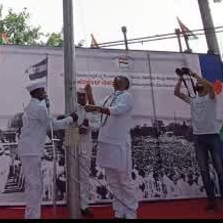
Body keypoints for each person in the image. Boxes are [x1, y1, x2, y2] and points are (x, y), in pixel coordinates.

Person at [174, 69, 223, 212]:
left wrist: (193, 74)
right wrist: (181, 78)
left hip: (213, 136)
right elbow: (176, 93)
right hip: (199, 139)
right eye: (198, 83)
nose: (199, 84)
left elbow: (211, 87)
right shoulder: (193, 100)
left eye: (201, 83)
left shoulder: (211, 97)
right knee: (204, 171)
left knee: (220, 170)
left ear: (204, 87)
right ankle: (212, 202)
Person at [17, 80, 77, 219]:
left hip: (30, 150)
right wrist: (70, 119)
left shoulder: (33, 106)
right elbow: (52, 125)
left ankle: (32, 215)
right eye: (43, 91)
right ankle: (33, 216)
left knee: (34, 185)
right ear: (36, 92)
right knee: (35, 186)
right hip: (31, 151)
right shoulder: (39, 107)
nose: (45, 93)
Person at [85, 75, 138, 219]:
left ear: (125, 83)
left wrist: (95, 107)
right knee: (112, 180)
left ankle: (131, 212)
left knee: (124, 180)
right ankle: (119, 211)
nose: (115, 79)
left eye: (118, 78)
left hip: (119, 143)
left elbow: (116, 110)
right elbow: (97, 112)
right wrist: (90, 94)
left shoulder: (127, 96)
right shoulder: (108, 97)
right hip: (106, 142)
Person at [75, 84, 102, 217]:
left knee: (84, 177)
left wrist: (88, 126)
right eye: (78, 95)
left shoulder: (90, 109)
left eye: (83, 95)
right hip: (72, 144)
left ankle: (83, 206)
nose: (81, 97)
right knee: (71, 176)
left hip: (85, 147)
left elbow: (97, 125)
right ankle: (72, 202)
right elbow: (66, 125)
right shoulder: (71, 107)